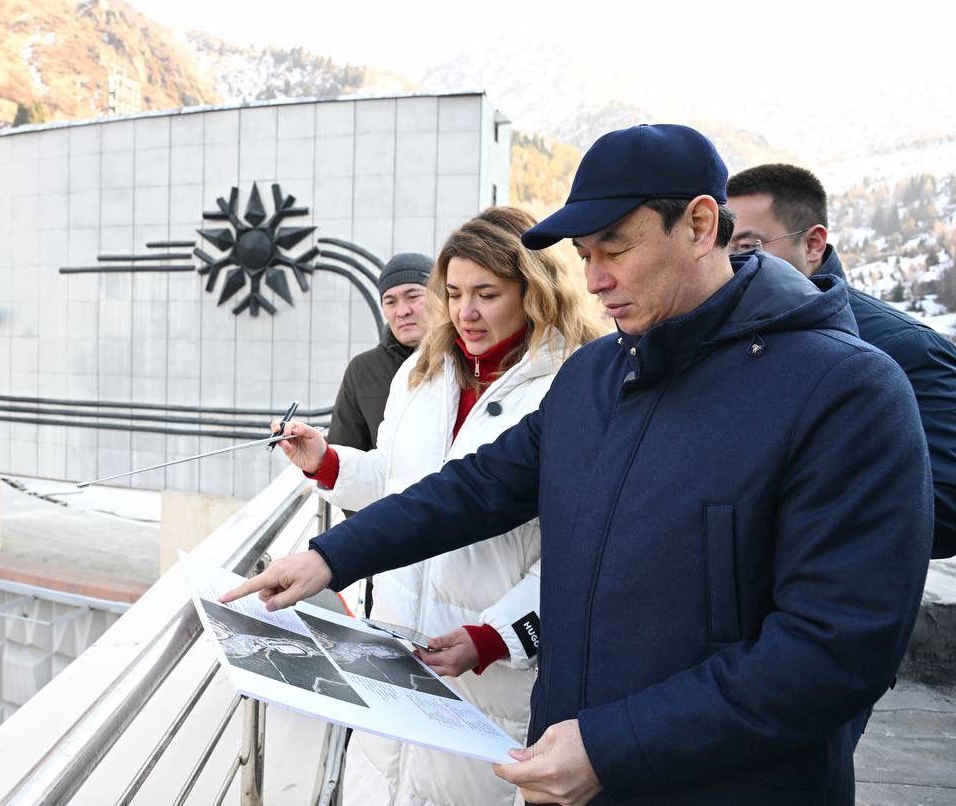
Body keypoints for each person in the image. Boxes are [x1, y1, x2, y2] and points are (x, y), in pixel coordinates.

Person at [225, 124, 933, 805]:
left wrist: (611, 748)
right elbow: (476, 488)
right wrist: (331, 556)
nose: (593, 280)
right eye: (584, 254)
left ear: (698, 224)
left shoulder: (845, 392)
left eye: (614, 249)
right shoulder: (597, 374)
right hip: (565, 777)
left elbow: (835, 651)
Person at [273, 207, 606, 805]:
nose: (464, 313)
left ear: (533, 290)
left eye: (486, 294)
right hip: (393, 651)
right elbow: (398, 486)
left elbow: (582, 547)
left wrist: (494, 636)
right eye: (452, 293)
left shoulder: (575, 384)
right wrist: (326, 462)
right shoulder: (420, 372)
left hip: (490, 678)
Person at [727, 163, 956, 560]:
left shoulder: (909, 348)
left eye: (748, 246)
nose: (730, 263)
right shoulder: (723, 336)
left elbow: (946, 508)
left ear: (813, 245)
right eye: (722, 245)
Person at [326, 252, 434, 453]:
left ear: (440, 297)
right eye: (390, 302)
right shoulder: (362, 370)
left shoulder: (465, 360)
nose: (402, 311)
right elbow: (343, 457)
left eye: (413, 296)